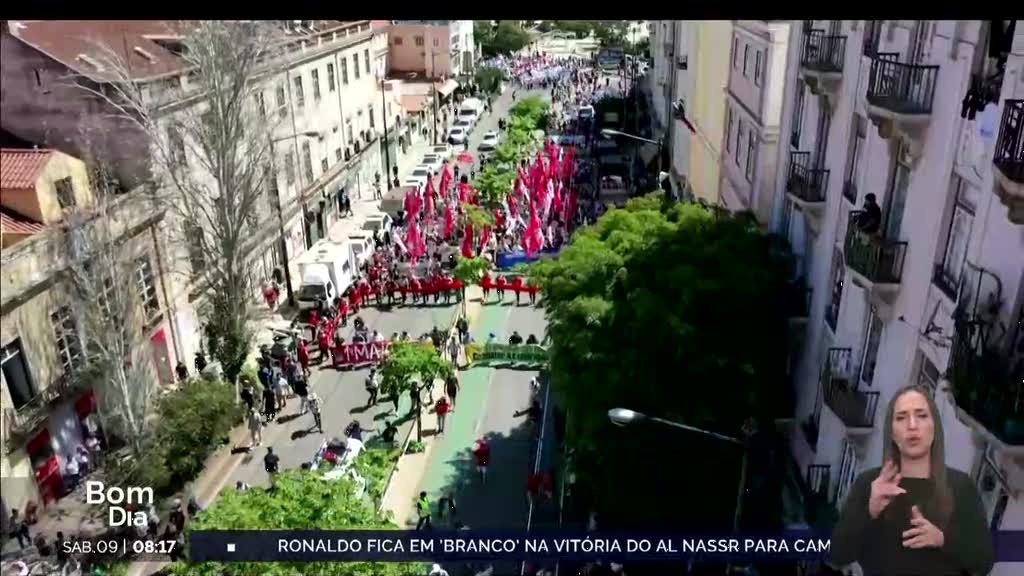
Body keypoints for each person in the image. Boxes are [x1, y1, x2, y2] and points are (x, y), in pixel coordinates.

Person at [830, 385, 994, 576]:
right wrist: (869, 511)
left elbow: (983, 561)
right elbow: (837, 555)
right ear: (891, 432)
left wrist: (942, 540)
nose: (912, 425)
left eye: (921, 415)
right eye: (901, 417)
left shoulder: (960, 486)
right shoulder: (869, 484)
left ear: (934, 428)